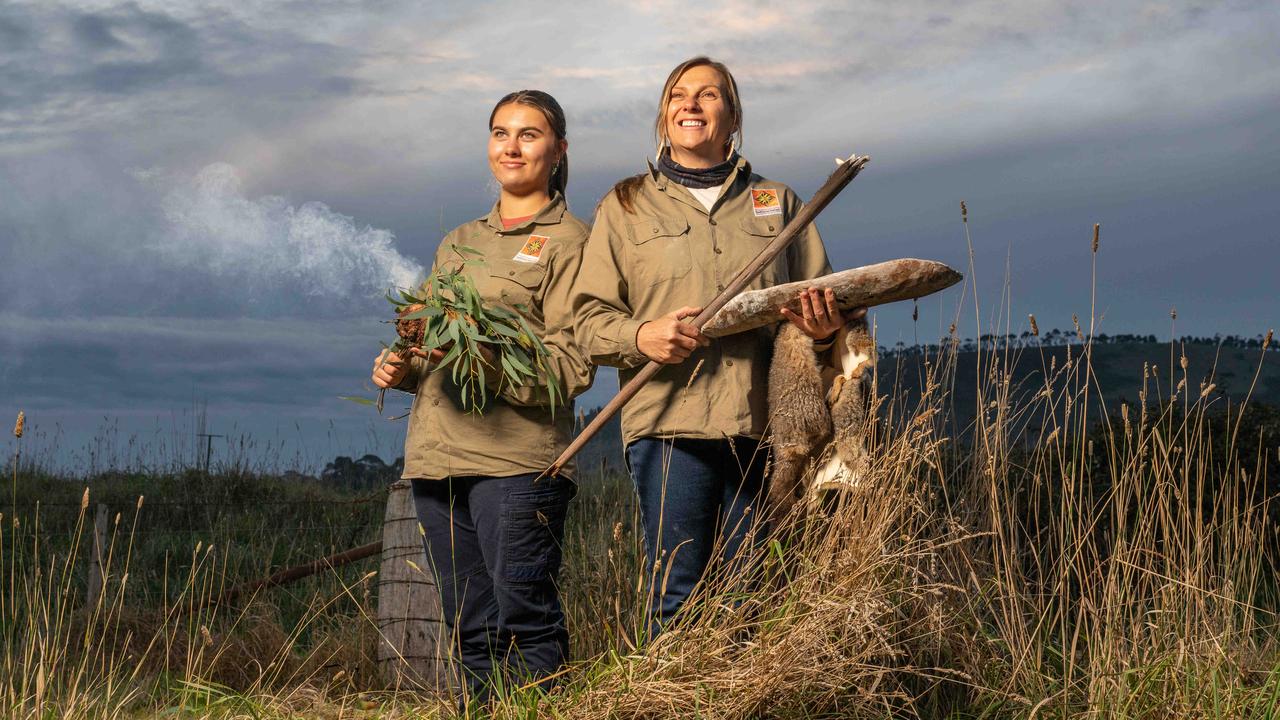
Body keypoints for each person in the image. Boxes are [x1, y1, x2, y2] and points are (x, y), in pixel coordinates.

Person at [572, 56, 850, 637]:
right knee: (679, 595)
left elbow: (824, 302)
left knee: (753, 594)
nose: (691, 104)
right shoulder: (624, 207)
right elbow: (589, 321)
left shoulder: (780, 202)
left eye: (708, 94)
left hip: (764, 424)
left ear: (734, 115)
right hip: (670, 422)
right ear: (663, 115)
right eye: (678, 94)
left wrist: (824, 329)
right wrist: (641, 335)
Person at [371, 90, 593, 699]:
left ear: (558, 150)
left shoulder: (574, 242)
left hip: (517, 464)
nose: (512, 146)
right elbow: (430, 348)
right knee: (470, 628)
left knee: (526, 620)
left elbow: (572, 366)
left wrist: (478, 356)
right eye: (501, 133)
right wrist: (405, 364)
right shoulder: (459, 242)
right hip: (438, 461)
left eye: (529, 134)